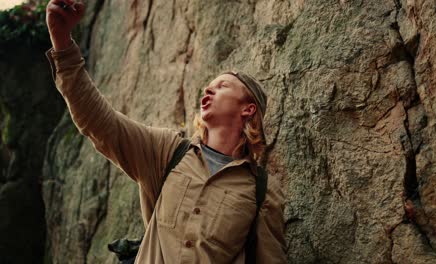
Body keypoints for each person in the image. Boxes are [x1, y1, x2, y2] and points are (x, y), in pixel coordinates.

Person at [45, 0, 287, 263]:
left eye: (222, 86)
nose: (208, 90)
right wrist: (63, 43)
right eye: (208, 86)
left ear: (248, 109)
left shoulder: (261, 191)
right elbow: (100, 122)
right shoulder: (166, 152)